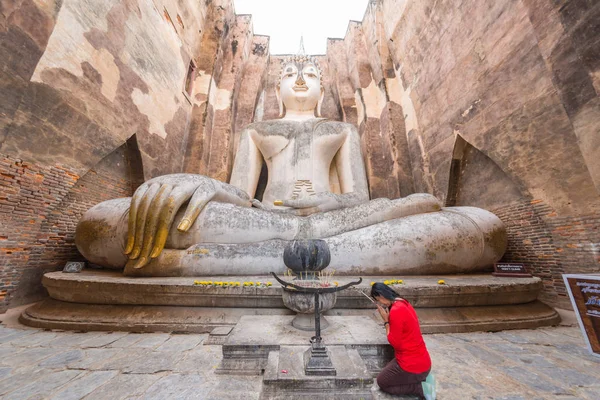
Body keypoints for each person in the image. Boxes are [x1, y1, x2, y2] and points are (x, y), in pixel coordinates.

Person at [371, 282, 436, 399]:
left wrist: (386, 321)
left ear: (381, 295)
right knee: (387, 371)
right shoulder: (403, 302)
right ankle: (420, 380)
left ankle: (419, 388)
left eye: (378, 300)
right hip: (423, 361)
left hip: (413, 365)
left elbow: (394, 342)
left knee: (382, 382)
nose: (379, 303)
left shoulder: (396, 310)